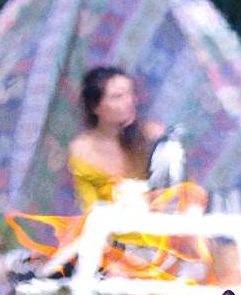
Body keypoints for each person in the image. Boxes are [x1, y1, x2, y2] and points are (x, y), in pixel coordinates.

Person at [68, 66, 167, 211]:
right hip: (113, 228)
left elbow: (181, 190)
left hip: (163, 224)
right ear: (95, 107)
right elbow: (91, 208)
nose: (130, 102)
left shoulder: (154, 135)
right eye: (117, 97)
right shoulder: (82, 151)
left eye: (131, 93)